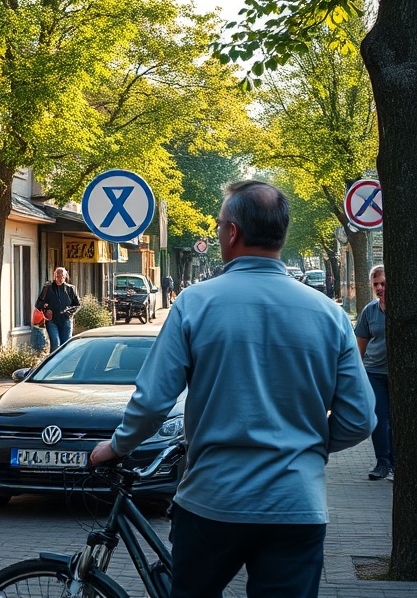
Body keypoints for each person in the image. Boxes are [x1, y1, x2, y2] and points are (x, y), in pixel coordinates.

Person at [89, 180, 375, 598]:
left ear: (232, 232)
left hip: (212, 502)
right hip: (296, 506)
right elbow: (360, 418)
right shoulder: (329, 315)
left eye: (220, 223)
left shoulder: (195, 303)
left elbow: (152, 402)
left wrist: (114, 447)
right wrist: (306, 446)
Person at [355, 265, 393, 480]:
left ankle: (398, 463)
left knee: (396, 421)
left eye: (383, 284)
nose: (380, 288)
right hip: (374, 373)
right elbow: (360, 344)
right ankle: (382, 462)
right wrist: (357, 373)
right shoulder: (369, 311)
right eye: (376, 284)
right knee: (379, 419)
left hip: (398, 376)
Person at [34, 267, 80, 352]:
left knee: (66, 345)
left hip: (66, 320)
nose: (60, 278)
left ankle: (64, 364)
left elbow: (77, 305)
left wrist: (70, 311)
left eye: (62, 276)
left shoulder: (71, 289)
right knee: (55, 344)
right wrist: (45, 307)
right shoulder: (47, 288)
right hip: (52, 321)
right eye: (58, 276)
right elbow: (38, 304)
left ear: (65, 276)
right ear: (54, 276)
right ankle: (53, 364)